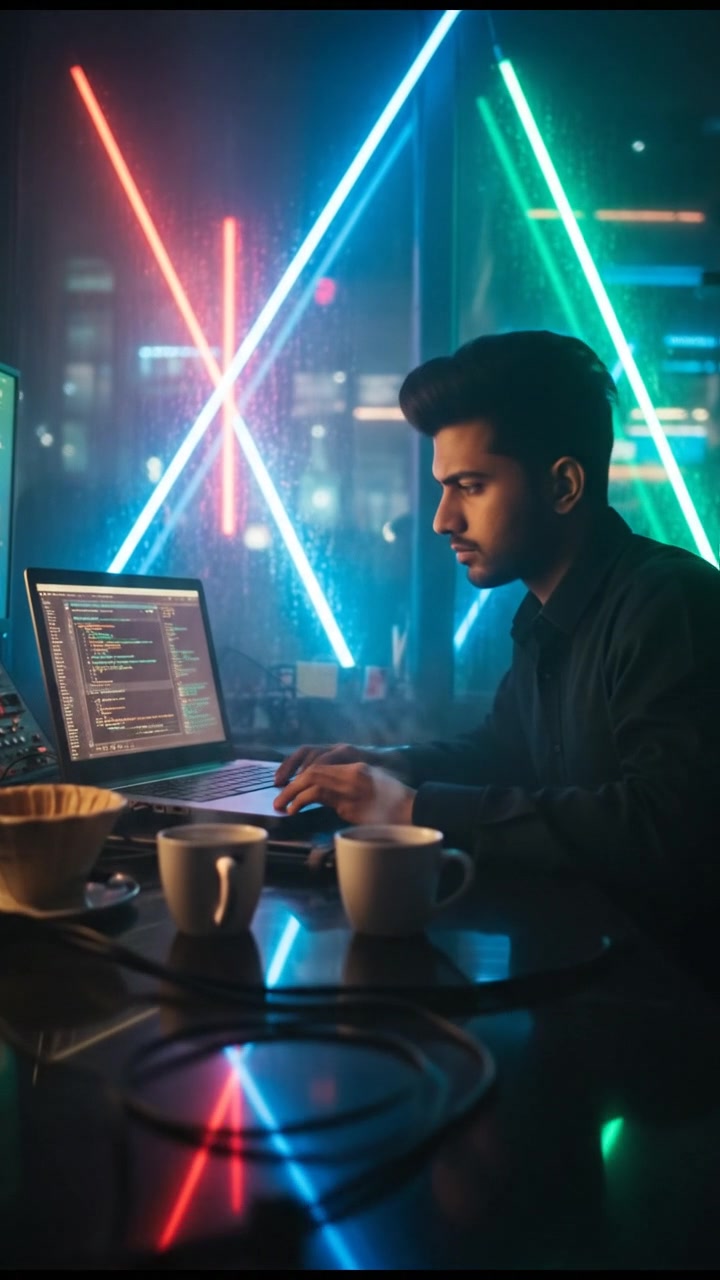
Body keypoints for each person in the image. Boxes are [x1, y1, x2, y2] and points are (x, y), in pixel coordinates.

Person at [273, 330, 720, 933]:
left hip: (672, 998)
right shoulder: (544, 614)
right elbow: (508, 754)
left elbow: (658, 824)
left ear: (564, 485)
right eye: (443, 487)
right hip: (585, 960)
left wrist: (406, 808)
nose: (441, 519)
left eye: (471, 487)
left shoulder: (669, 602)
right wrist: (391, 764)